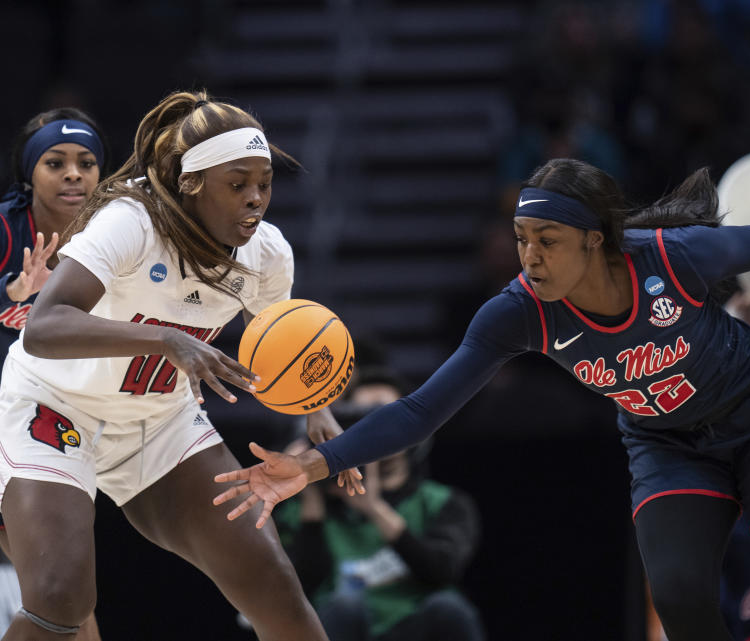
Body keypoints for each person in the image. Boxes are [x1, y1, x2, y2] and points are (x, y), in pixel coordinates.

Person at [216, 158, 750, 641]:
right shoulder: (517, 311)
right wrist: (311, 464)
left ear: (596, 240)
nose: (529, 257)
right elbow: (420, 409)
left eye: (548, 241)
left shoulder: (675, 257)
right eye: (523, 239)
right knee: (681, 598)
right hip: (670, 444)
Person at [0, 90, 361, 640]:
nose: (256, 200)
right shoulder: (130, 221)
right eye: (237, 185)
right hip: (56, 406)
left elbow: (288, 348)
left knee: (272, 582)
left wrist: (318, 411)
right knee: (59, 596)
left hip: (157, 420)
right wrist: (165, 338)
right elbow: (44, 327)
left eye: (263, 184)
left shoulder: (267, 254)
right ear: (192, 183)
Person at [0, 107, 108, 640]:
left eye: (87, 163)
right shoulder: (3, 229)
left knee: (62, 587)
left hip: (69, 416)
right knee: (59, 587)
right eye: (56, 162)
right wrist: (11, 297)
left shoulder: (117, 234)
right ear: (29, 173)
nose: (74, 174)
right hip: (14, 422)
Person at [275, 367, 484, 641]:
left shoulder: (441, 502)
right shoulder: (305, 508)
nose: (378, 429)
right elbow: (295, 589)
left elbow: (441, 572)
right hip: (338, 626)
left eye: (388, 415)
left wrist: (373, 508)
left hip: (414, 627)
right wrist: (310, 495)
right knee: (343, 608)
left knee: (449, 609)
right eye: (363, 419)